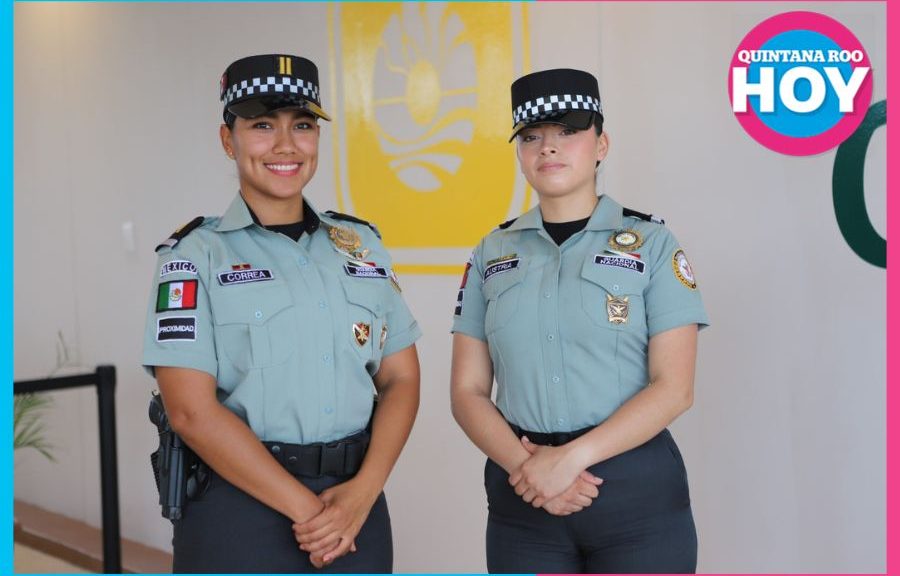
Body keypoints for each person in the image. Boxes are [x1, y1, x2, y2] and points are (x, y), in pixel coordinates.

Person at [142, 53, 421, 573]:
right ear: (229, 140)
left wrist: (363, 491)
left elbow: (401, 377)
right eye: (262, 126)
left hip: (355, 505)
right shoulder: (193, 256)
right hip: (239, 509)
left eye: (303, 126)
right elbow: (190, 412)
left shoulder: (360, 245)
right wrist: (311, 513)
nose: (286, 145)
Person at [450, 68, 709, 573]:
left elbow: (674, 387)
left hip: (635, 498)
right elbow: (467, 392)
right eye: (532, 137)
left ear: (601, 144)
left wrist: (567, 462)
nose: (549, 147)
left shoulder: (652, 244)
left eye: (568, 131)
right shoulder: (491, 252)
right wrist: (531, 470)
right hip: (523, 500)